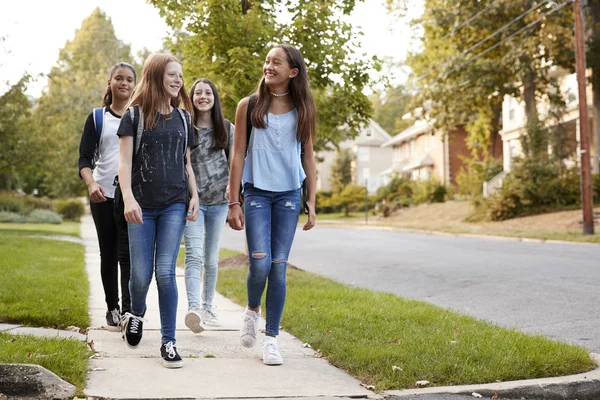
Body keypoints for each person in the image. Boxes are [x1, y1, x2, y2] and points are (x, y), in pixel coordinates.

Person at [227, 44, 317, 365]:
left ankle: (272, 339)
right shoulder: (248, 105)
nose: (268, 66)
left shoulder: (303, 107)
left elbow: (308, 156)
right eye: (266, 61)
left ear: (292, 72)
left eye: (276, 62)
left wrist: (312, 200)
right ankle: (252, 309)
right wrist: (233, 200)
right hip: (256, 193)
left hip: (289, 195)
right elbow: (237, 154)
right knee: (261, 264)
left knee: (279, 268)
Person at [117, 53, 199, 369]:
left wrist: (195, 196)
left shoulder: (184, 119)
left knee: (165, 271)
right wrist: (128, 199)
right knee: (140, 274)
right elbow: (124, 163)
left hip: (174, 203)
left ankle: (168, 342)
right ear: (155, 77)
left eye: (180, 75)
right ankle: (136, 312)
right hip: (141, 205)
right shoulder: (134, 117)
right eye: (172, 75)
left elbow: (187, 162)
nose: (178, 81)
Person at [78, 62, 136, 331]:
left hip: (131, 196)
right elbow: (84, 159)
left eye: (129, 80)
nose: (124, 83)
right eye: (119, 78)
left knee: (130, 255)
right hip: (103, 195)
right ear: (110, 82)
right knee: (109, 253)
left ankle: (129, 309)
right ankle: (112, 308)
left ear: (135, 85)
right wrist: (91, 185)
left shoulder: (140, 116)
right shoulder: (97, 118)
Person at [183, 78, 234, 333]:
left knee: (211, 258)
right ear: (191, 98)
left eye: (208, 92)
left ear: (214, 97)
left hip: (219, 203)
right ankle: (193, 309)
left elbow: (236, 163)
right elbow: (185, 164)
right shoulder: (186, 128)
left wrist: (233, 189)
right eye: (198, 93)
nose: (203, 96)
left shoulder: (226, 128)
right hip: (194, 203)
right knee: (193, 255)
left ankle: (208, 307)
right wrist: (192, 195)